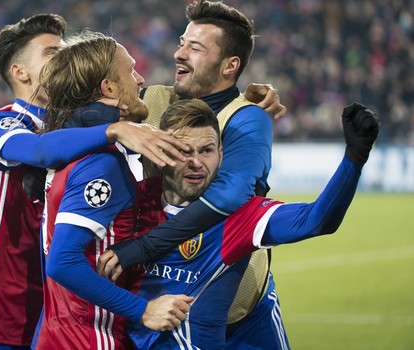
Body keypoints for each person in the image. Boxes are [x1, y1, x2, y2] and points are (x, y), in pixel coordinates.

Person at [0, 14, 198, 350]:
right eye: (51, 53)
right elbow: (41, 150)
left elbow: (140, 99)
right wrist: (113, 129)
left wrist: (246, 103)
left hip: (50, 311)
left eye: (65, 49)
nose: (64, 57)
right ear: (20, 72)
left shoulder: (77, 130)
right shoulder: (4, 123)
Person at [99, 1, 291, 348]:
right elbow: (85, 109)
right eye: (181, 42)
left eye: (195, 47)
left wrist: (141, 248)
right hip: (168, 311)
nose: (179, 54)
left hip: (244, 316)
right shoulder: (153, 102)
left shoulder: (246, 118)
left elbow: (230, 196)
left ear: (230, 65)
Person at [120, 98, 379, 349]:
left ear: (221, 154)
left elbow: (315, 220)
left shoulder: (236, 215)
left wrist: (353, 159)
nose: (197, 162)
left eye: (206, 150)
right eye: (184, 151)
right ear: (163, 152)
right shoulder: (134, 199)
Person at [36, 31, 196, 350]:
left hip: (65, 333)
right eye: (130, 70)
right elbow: (63, 262)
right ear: (108, 88)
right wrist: (144, 311)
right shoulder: (100, 164)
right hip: (87, 338)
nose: (140, 79)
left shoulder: (77, 150)